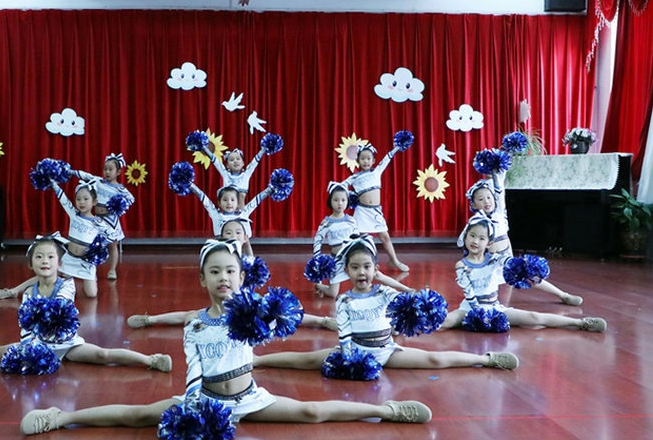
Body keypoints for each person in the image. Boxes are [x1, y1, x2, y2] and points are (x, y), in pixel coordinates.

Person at [20, 238, 431, 437]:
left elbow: (282, 319)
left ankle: (389, 410)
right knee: (138, 416)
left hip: (250, 399)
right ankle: (61, 417)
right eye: (214, 272)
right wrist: (193, 406)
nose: (223, 277)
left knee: (311, 412)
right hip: (206, 399)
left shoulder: (252, 311)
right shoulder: (195, 324)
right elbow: (194, 371)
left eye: (230, 271)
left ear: (241, 277)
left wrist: (304, 318)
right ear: (202, 279)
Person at [255, 234, 520, 373]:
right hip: (356, 351)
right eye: (355, 267)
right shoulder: (344, 299)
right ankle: (257, 361)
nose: (361, 272)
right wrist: (350, 357)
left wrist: (421, 299)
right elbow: (344, 334)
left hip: (387, 350)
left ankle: (486, 359)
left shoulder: (383, 292)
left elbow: (407, 301)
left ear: (375, 269)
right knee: (306, 360)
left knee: (434, 359)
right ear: (347, 271)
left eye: (366, 267)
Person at [0, 234, 172, 371]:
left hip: (67, 344)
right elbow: (28, 327)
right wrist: (31, 348)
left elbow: (59, 312)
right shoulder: (29, 293)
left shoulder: (67, 285)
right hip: (37, 344)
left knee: (103, 355)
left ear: (59, 263)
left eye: (50, 257)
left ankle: (151, 360)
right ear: (31, 264)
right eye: (39, 257)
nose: (45, 261)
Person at [126, 224, 337, 330]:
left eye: (238, 232)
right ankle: (150, 319)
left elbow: (254, 264)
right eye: (229, 232)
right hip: (222, 307)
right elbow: (186, 315)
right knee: (191, 316)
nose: (233, 235)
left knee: (280, 313)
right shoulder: (217, 256)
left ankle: (323, 320)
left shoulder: (246, 262)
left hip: (247, 305)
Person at [440, 214, 606, 332]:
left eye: (481, 238)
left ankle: (581, 323)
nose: (475, 241)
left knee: (535, 318)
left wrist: (523, 266)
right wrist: (478, 314)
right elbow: (469, 293)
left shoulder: (494, 259)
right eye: (472, 236)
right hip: (470, 309)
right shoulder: (461, 265)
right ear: (465, 237)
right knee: (446, 321)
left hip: (495, 308)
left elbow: (508, 262)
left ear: (489, 243)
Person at [466, 167, 583, 306]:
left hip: (506, 259)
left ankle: (564, 295)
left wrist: (497, 174)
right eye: (481, 199)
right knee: (490, 302)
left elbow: (499, 191)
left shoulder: (499, 214)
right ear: (473, 204)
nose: (487, 202)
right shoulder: (476, 222)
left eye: (489, 197)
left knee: (529, 275)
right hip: (489, 265)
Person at [0, 179, 115, 299]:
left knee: (91, 294)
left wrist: (97, 249)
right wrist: (53, 184)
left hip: (86, 262)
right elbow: (63, 199)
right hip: (69, 258)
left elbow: (112, 236)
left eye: (85, 199)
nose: (81, 202)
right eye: (78, 199)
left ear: (94, 201)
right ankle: (14, 291)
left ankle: (74, 282)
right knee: (45, 276)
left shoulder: (99, 223)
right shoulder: (74, 214)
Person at [343, 140, 409, 272]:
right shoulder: (354, 177)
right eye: (362, 159)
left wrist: (397, 147)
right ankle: (362, 263)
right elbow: (340, 187)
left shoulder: (376, 172)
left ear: (373, 160)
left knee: (385, 237)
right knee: (361, 239)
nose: (365, 161)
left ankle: (394, 260)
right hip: (361, 212)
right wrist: (350, 196)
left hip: (375, 212)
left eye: (368, 158)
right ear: (358, 161)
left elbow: (387, 158)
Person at [72, 153, 135, 281]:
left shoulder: (120, 189)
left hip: (111, 221)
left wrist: (119, 206)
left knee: (112, 245)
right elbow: (86, 176)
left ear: (118, 172)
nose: (107, 172)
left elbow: (131, 199)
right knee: (92, 244)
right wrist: (70, 172)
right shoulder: (98, 181)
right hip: (97, 219)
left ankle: (112, 270)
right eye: (105, 169)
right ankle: (90, 270)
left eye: (110, 169)